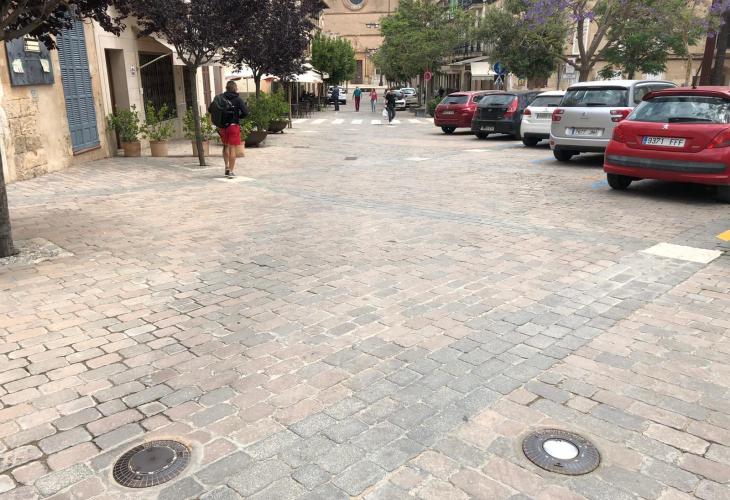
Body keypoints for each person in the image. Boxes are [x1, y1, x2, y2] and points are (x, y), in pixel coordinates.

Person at [215, 81, 248, 178]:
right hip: (233, 126)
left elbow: (211, 109)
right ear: (235, 88)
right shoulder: (238, 99)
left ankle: (226, 167)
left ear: (226, 88)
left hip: (223, 126)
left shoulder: (221, 97)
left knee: (225, 146)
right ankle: (231, 171)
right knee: (232, 148)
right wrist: (238, 117)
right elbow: (245, 112)